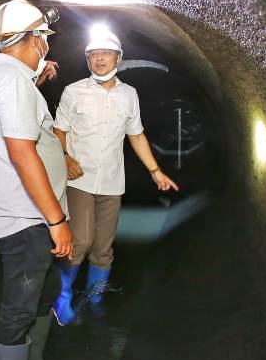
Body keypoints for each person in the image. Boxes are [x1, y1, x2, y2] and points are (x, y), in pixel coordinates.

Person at [52, 24, 179, 326]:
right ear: (87, 60)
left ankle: (95, 298)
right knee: (80, 241)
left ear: (118, 58)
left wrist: (156, 171)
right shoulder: (74, 91)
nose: (99, 58)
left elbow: (136, 135)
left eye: (106, 53)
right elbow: (59, 131)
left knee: (103, 248)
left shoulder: (129, 95)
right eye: (93, 54)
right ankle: (63, 296)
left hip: (111, 182)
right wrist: (66, 157)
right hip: (78, 179)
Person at [0, 0, 73, 360]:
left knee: (43, 295)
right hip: (26, 220)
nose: (46, 47)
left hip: (32, 217)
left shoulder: (4, 77)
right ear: (35, 41)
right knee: (17, 312)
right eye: (43, 40)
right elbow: (23, 155)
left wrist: (35, 77)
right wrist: (58, 222)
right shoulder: (12, 82)